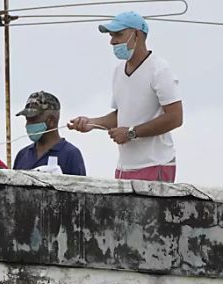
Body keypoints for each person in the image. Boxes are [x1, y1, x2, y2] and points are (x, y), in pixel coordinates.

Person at [68, 12, 182, 182]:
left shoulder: (159, 70)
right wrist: (92, 123)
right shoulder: (118, 71)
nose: (112, 41)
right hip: (124, 167)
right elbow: (121, 115)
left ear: (136, 34)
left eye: (118, 34)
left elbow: (175, 118)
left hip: (155, 164)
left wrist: (131, 133)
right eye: (111, 35)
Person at [13, 91, 86, 176]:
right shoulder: (22, 155)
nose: (28, 125)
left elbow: (80, 187)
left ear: (51, 120)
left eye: (33, 119)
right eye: (27, 119)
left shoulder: (70, 154)